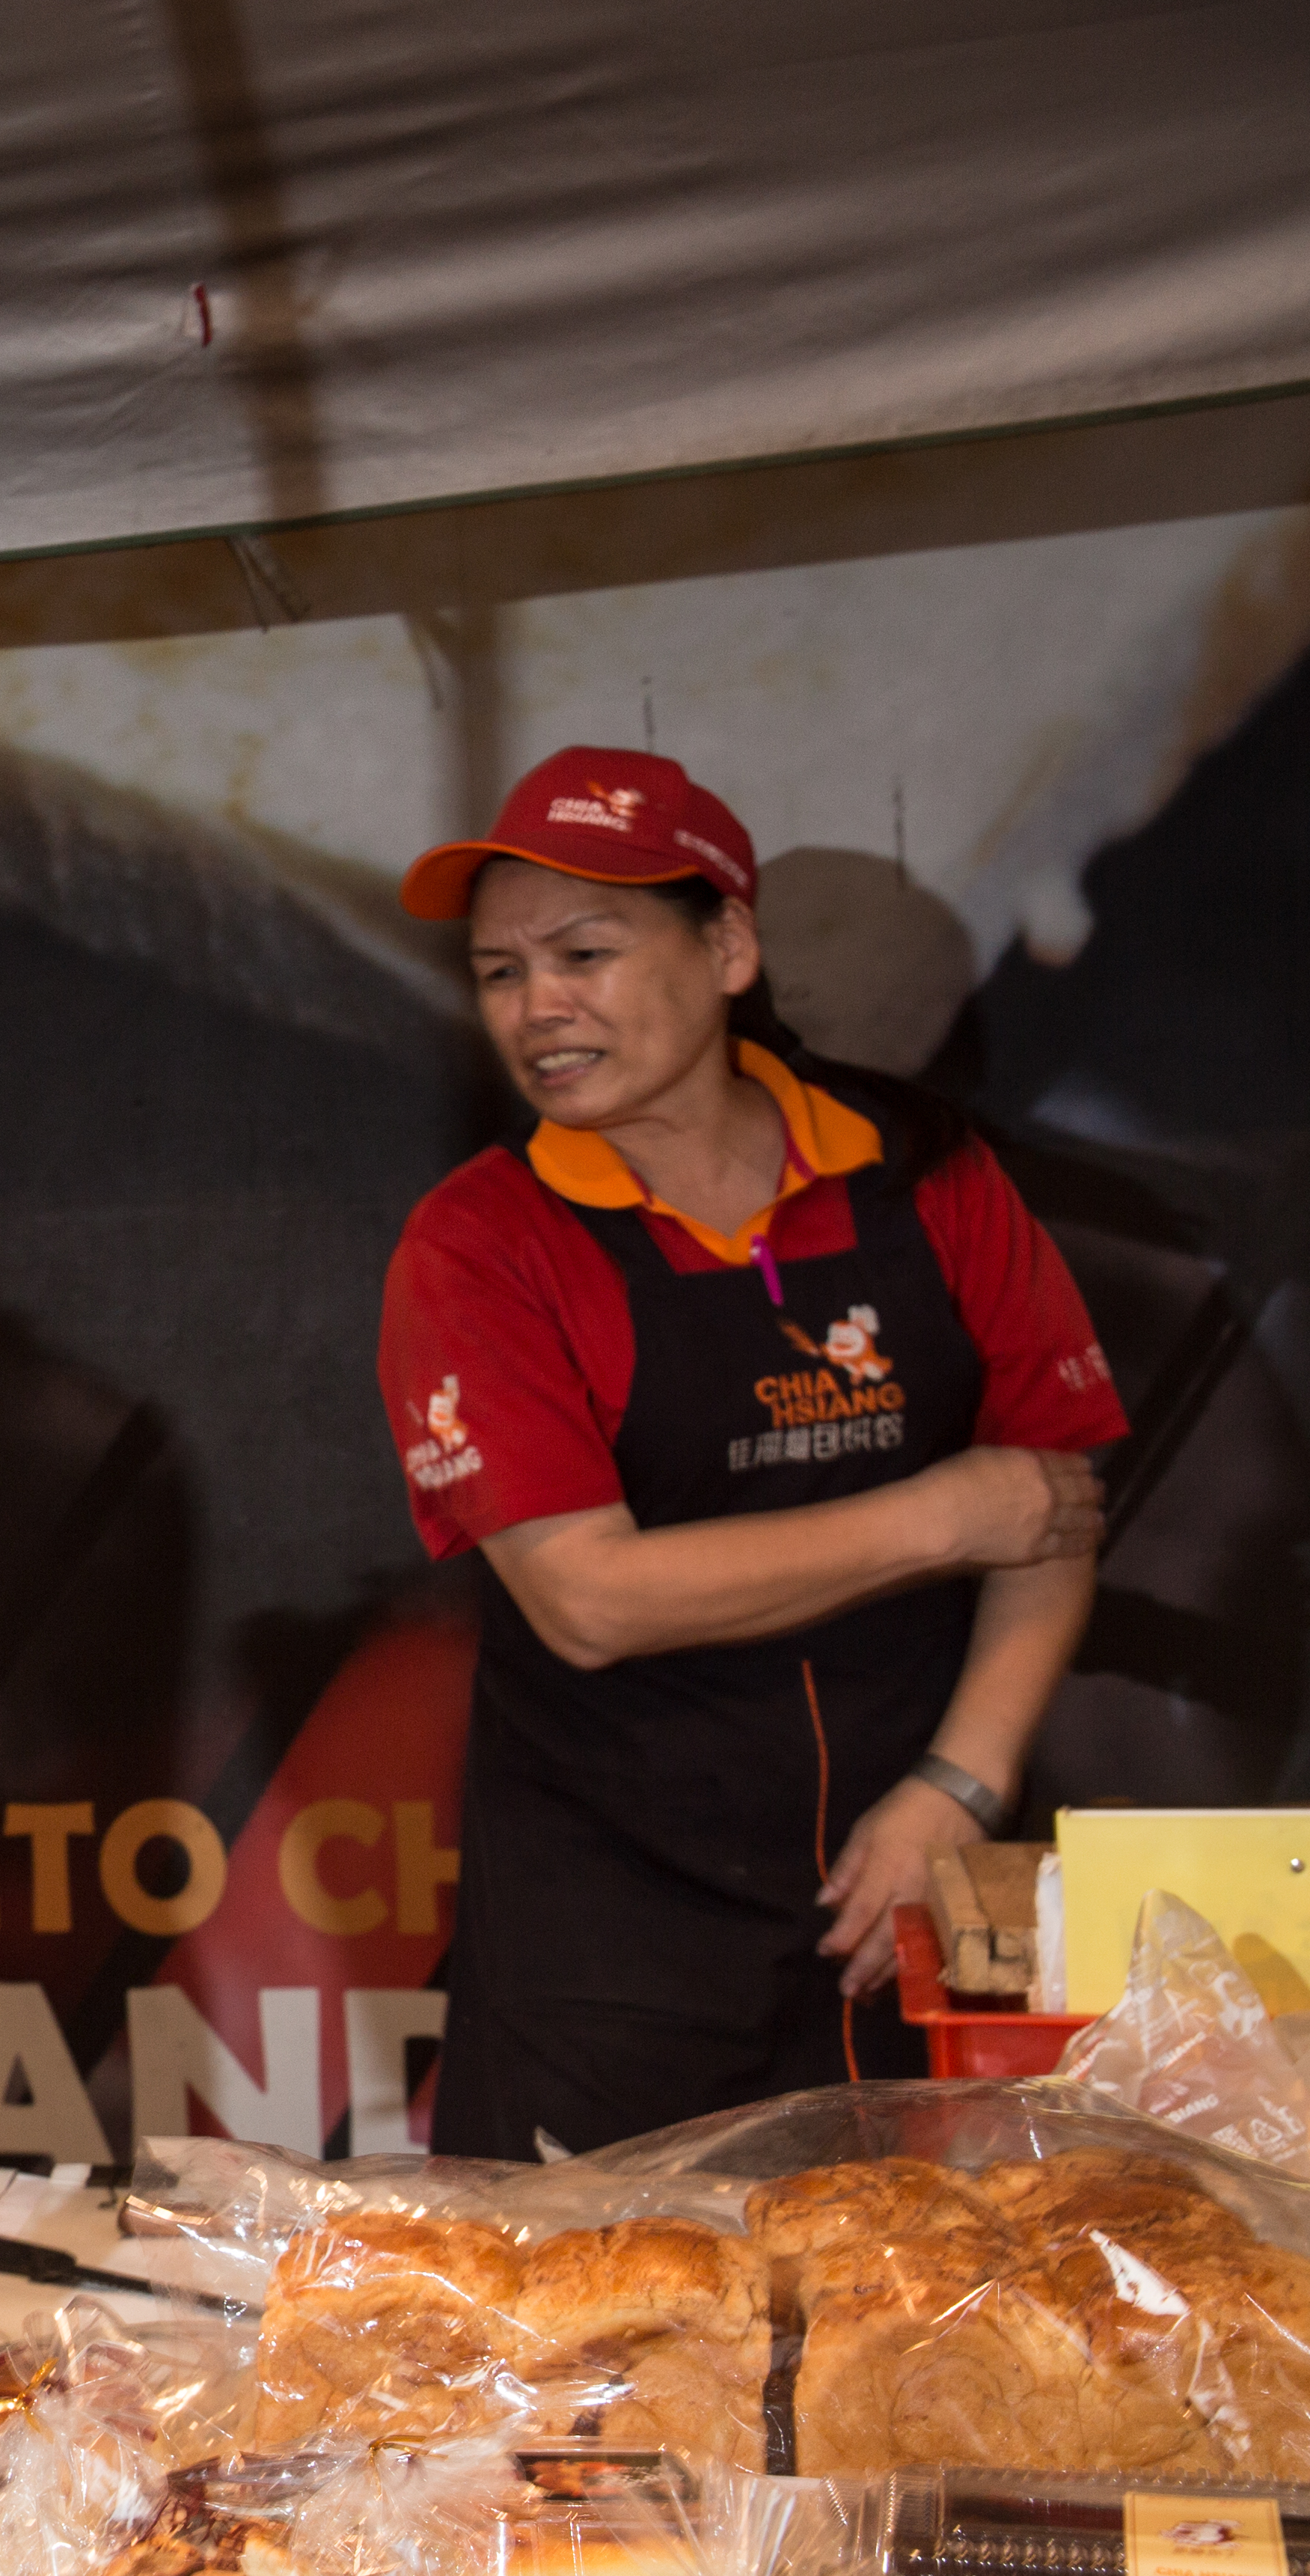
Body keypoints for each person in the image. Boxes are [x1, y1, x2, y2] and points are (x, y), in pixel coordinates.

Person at [378, 746, 1126, 2159]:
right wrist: (940, 1518)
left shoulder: (928, 1173)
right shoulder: (482, 1242)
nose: (540, 1006)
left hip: (904, 1898)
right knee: (607, 2355)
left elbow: (1060, 1507)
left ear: (726, 946)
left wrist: (962, 1782)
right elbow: (591, 1600)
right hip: (611, 1948)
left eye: (585, 953)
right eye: (499, 972)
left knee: (910, 2339)